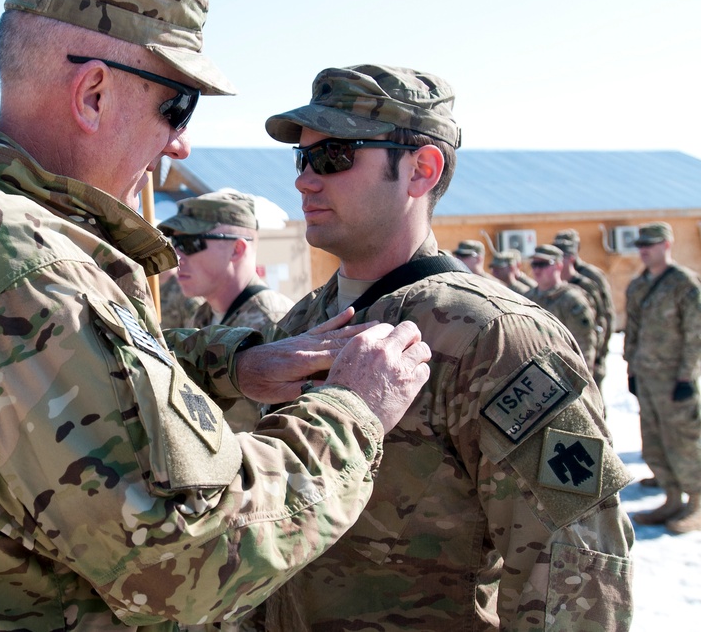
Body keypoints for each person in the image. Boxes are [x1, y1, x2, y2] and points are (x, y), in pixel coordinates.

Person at [0, 0, 436, 630]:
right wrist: (351, 414)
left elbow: (81, 370)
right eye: (176, 106)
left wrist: (232, 364)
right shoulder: (27, 265)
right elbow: (188, 560)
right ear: (92, 93)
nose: (179, 143)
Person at [260, 63, 634, 630]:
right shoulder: (303, 323)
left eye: (334, 155)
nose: (305, 180)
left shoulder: (495, 336)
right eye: (302, 158)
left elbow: (575, 565)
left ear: (421, 169)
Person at [159, 190, 295, 432]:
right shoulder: (202, 317)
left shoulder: (276, 324)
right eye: (175, 244)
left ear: (237, 250)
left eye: (190, 243)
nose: (177, 257)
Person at [624, 222, 701, 534]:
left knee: (684, 442)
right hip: (647, 378)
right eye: (641, 245)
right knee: (654, 442)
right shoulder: (638, 285)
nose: (644, 250)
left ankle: (696, 502)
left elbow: (696, 336)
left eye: (651, 244)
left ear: (666, 245)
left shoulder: (684, 284)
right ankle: (671, 497)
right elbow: (632, 331)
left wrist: (686, 377)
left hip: (674, 381)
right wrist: (631, 369)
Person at [554, 229, 614, 390]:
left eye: (567, 247)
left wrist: (600, 352)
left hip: (590, 350)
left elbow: (605, 315)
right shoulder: (553, 274)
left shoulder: (590, 277)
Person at [524, 244, 599, 372]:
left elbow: (584, 343)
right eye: (534, 264)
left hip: (566, 372)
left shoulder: (571, 299)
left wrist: (582, 376)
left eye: (543, 264)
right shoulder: (527, 298)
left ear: (558, 265)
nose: (537, 269)